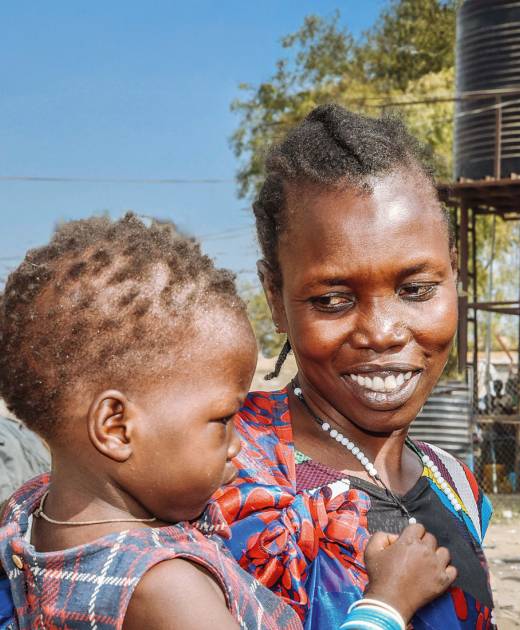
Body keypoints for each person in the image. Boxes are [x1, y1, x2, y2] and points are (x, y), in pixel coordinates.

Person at [0, 214, 456, 630]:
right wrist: (387, 601)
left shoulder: (24, 515)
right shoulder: (167, 591)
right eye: (221, 419)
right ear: (116, 428)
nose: (239, 443)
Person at [213, 104, 495, 629]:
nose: (382, 332)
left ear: (455, 274)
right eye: (333, 300)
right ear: (275, 296)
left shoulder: (455, 483)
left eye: (417, 290)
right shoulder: (220, 474)